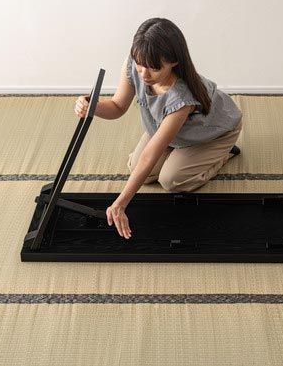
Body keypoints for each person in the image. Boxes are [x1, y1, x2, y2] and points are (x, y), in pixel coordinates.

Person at [74, 17, 243, 240]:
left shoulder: (181, 96)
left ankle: (224, 154)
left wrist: (120, 203)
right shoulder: (136, 61)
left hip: (212, 132)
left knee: (172, 180)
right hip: (166, 129)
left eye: (154, 68)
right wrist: (92, 106)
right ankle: (180, 152)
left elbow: (150, 155)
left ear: (173, 61)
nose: (144, 74)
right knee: (139, 172)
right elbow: (117, 106)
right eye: (140, 65)